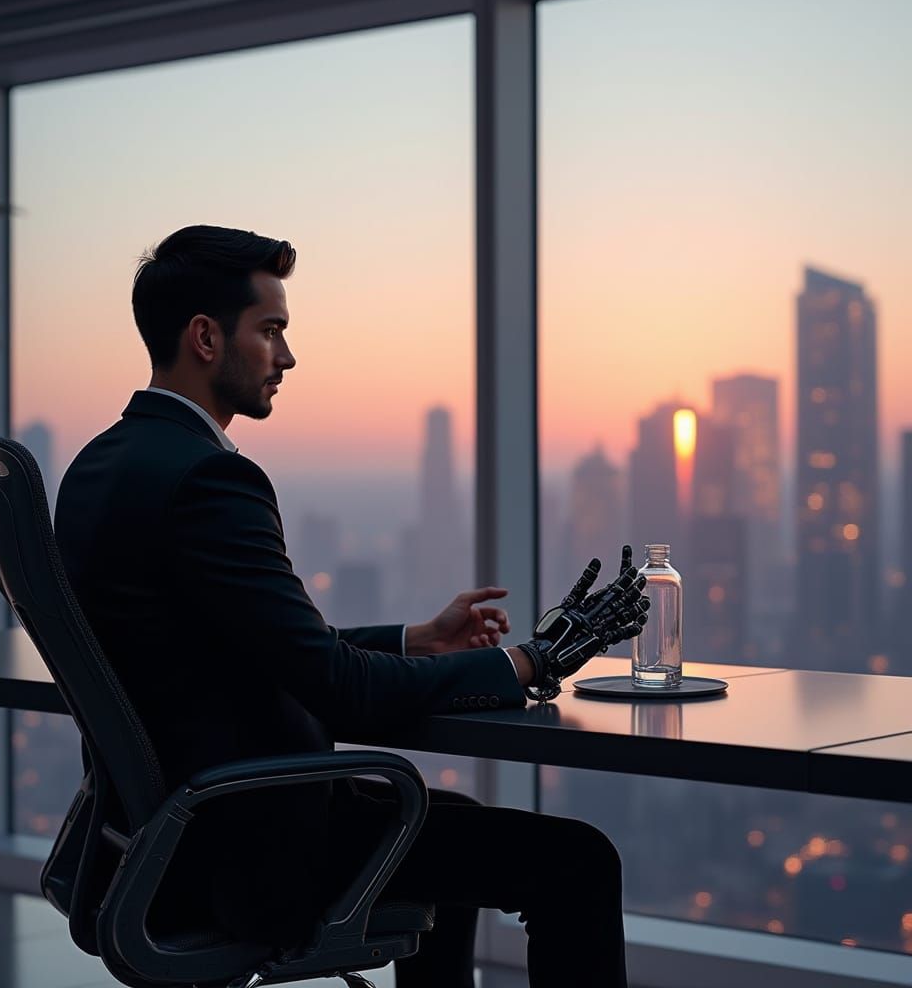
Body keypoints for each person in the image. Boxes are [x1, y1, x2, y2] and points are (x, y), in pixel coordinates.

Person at [54, 225, 632, 987]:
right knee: (580, 862)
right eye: (271, 331)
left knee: (435, 814)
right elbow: (336, 688)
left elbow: (238, 645)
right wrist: (522, 663)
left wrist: (415, 640)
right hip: (247, 852)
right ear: (203, 337)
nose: (286, 358)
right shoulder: (210, 481)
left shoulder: (100, 465)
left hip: (156, 836)